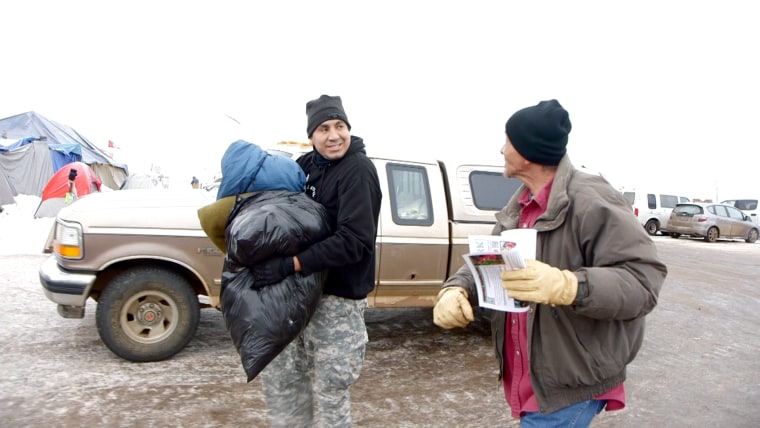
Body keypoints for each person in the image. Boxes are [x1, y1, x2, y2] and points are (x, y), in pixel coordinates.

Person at [433, 99, 667, 426]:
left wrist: (568, 286)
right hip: (532, 378)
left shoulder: (591, 199)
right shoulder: (521, 204)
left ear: (528, 152)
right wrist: (457, 289)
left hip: (572, 380)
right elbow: (489, 260)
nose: (502, 150)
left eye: (508, 141)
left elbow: (644, 282)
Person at [252, 94, 382, 427]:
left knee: (331, 391)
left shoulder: (358, 171)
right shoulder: (306, 167)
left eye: (340, 126)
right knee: (288, 382)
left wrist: (290, 264)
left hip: (337, 300)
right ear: (311, 135)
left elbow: (354, 241)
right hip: (299, 295)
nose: (334, 135)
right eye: (324, 128)